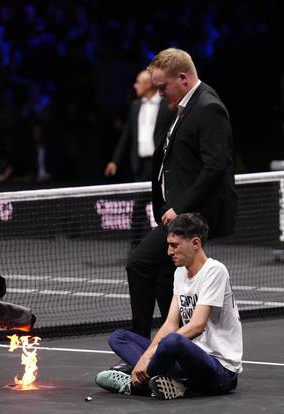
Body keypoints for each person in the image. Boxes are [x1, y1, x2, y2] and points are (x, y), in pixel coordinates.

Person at [124, 48, 237, 344]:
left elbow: (215, 168)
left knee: (138, 263)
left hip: (193, 215)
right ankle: (174, 344)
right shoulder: (182, 107)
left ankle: (138, 345)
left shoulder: (208, 107)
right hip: (177, 212)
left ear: (183, 78)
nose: (159, 93)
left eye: (163, 86)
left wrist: (179, 208)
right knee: (164, 278)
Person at [96, 213, 242, 400]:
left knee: (173, 341)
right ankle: (170, 382)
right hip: (188, 363)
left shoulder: (215, 271)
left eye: (174, 245)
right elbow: (170, 324)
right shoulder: (180, 273)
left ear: (195, 244)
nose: (169, 252)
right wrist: (145, 357)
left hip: (220, 371)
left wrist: (148, 358)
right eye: (168, 245)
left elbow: (197, 326)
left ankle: (136, 385)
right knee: (119, 337)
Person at [104, 70, 175, 182]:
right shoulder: (135, 106)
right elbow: (126, 135)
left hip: (160, 163)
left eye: (138, 82)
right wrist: (115, 161)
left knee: (161, 198)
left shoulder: (167, 104)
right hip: (139, 165)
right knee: (139, 198)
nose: (135, 86)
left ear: (148, 84)